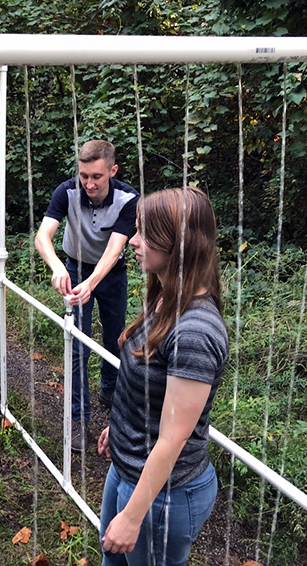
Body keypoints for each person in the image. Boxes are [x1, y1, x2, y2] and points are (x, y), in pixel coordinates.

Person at [97, 186, 229, 566]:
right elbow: (150, 391)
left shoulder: (195, 332)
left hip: (163, 497)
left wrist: (133, 516)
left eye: (144, 233)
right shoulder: (165, 296)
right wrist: (121, 427)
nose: (133, 242)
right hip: (130, 472)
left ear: (179, 243)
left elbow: (173, 438)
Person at [35, 140, 139, 452]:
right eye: (84, 176)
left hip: (111, 274)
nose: (89, 184)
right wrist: (56, 266)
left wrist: (92, 283)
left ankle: (110, 390)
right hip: (74, 267)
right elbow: (43, 236)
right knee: (78, 344)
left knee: (115, 338)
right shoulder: (66, 191)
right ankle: (78, 419)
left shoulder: (128, 198)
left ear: (113, 171)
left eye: (96, 176)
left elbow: (115, 249)